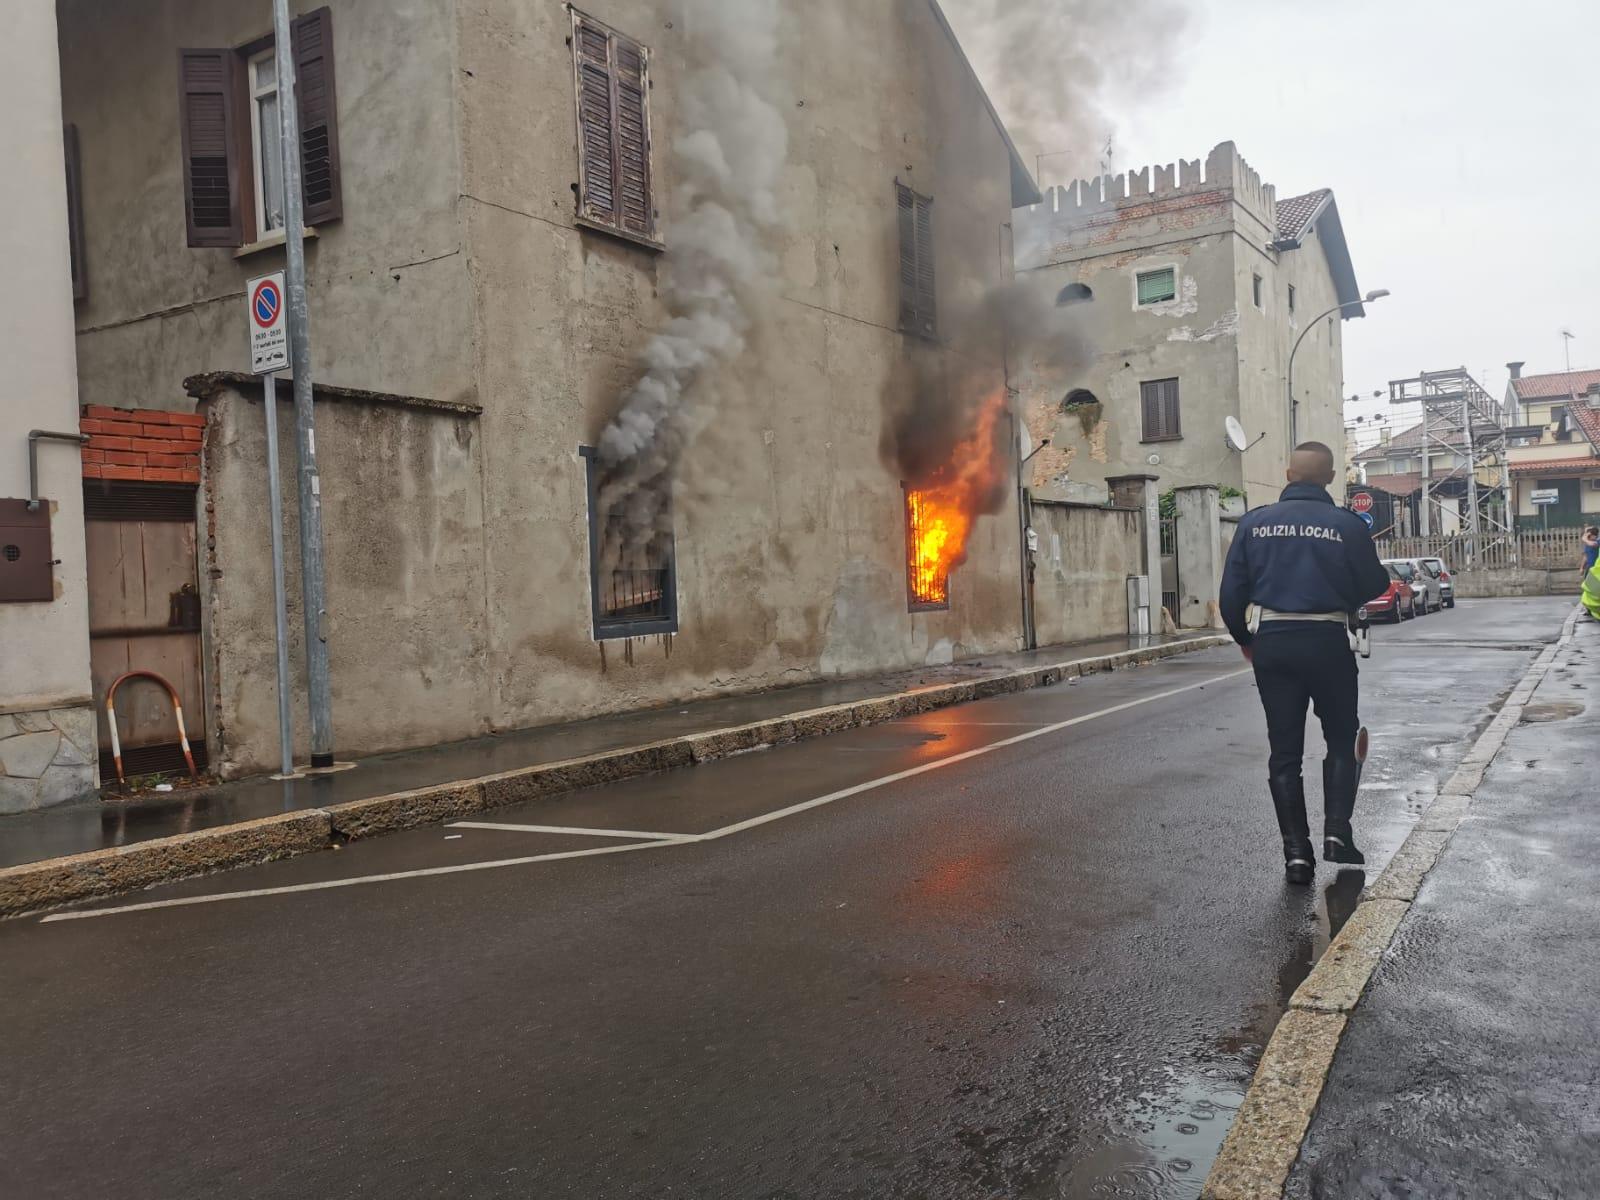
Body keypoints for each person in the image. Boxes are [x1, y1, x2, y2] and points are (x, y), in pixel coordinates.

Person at [1219, 442, 1391, 885]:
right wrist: (1342, 599)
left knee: (1284, 753)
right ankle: (1337, 832)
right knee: (1340, 736)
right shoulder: (1345, 524)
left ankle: (1297, 855)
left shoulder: (1253, 523)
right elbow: (1376, 581)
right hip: (1328, 638)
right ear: (1330, 477)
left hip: (1273, 643)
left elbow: (1231, 594)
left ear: (1288, 472)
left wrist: (1246, 640)